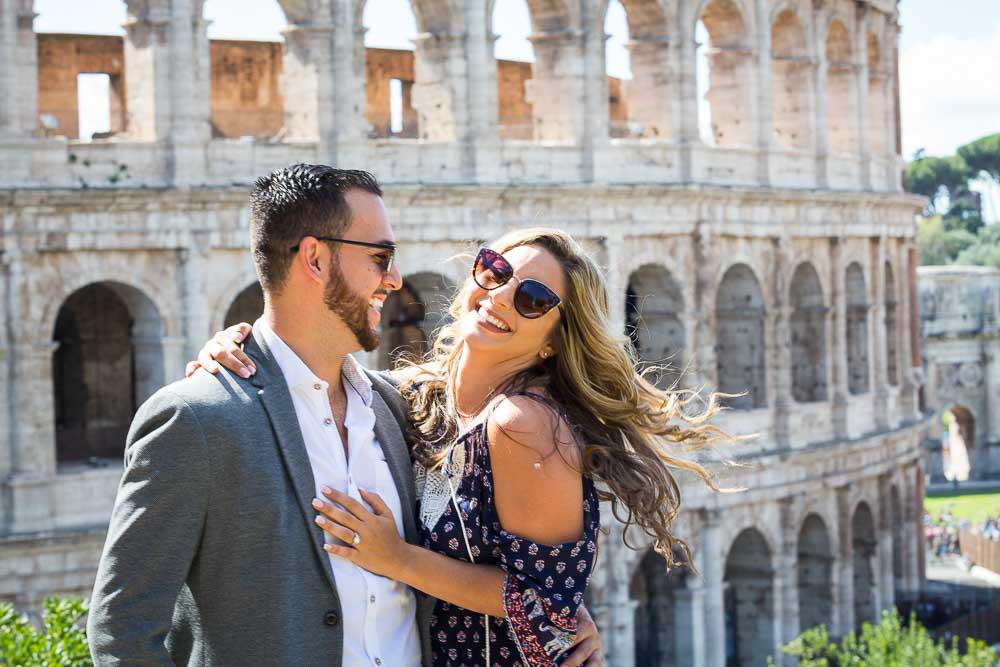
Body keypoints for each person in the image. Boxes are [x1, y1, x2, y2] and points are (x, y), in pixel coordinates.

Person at [86, 164, 601, 666]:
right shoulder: (195, 419)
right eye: (380, 257)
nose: (396, 279)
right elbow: (123, 632)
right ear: (313, 258)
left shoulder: (395, 409)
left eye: (533, 299)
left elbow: (537, 588)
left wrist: (559, 609)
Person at [194, 227, 729, 665]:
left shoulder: (523, 423)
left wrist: (398, 558)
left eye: (532, 299)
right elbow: (310, 374)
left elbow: (545, 604)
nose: (498, 297)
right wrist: (237, 350)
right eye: (495, 270)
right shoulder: (419, 395)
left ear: (554, 338)